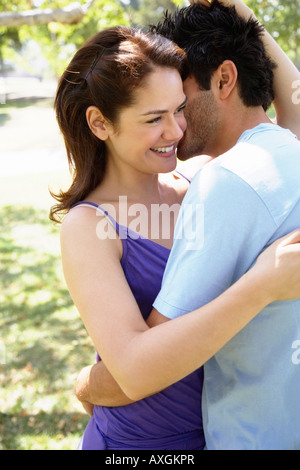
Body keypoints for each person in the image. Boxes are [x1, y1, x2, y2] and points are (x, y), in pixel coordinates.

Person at [51, 5, 300, 451]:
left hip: (215, 433)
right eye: (154, 118)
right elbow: (131, 368)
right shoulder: (88, 227)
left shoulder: (201, 186)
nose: (176, 130)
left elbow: (292, 105)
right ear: (99, 122)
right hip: (139, 446)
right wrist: (262, 286)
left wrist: (237, 14)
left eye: (180, 108)